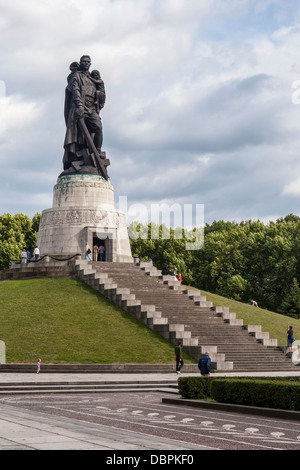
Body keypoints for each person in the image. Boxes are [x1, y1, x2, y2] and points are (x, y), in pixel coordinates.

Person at [63, 55, 106, 172]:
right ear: (80, 63)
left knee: (98, 127)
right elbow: (75, 90)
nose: (86, 63)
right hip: (80, 108)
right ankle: (78, 159)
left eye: (88, 62)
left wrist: (99, 93)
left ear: (90, 64)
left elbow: (102, 94)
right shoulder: (76, 76)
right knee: (79, 136)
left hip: (91, 108)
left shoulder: (93, 79)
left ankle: (97, 152)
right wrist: (80, 105)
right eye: (84, 61)